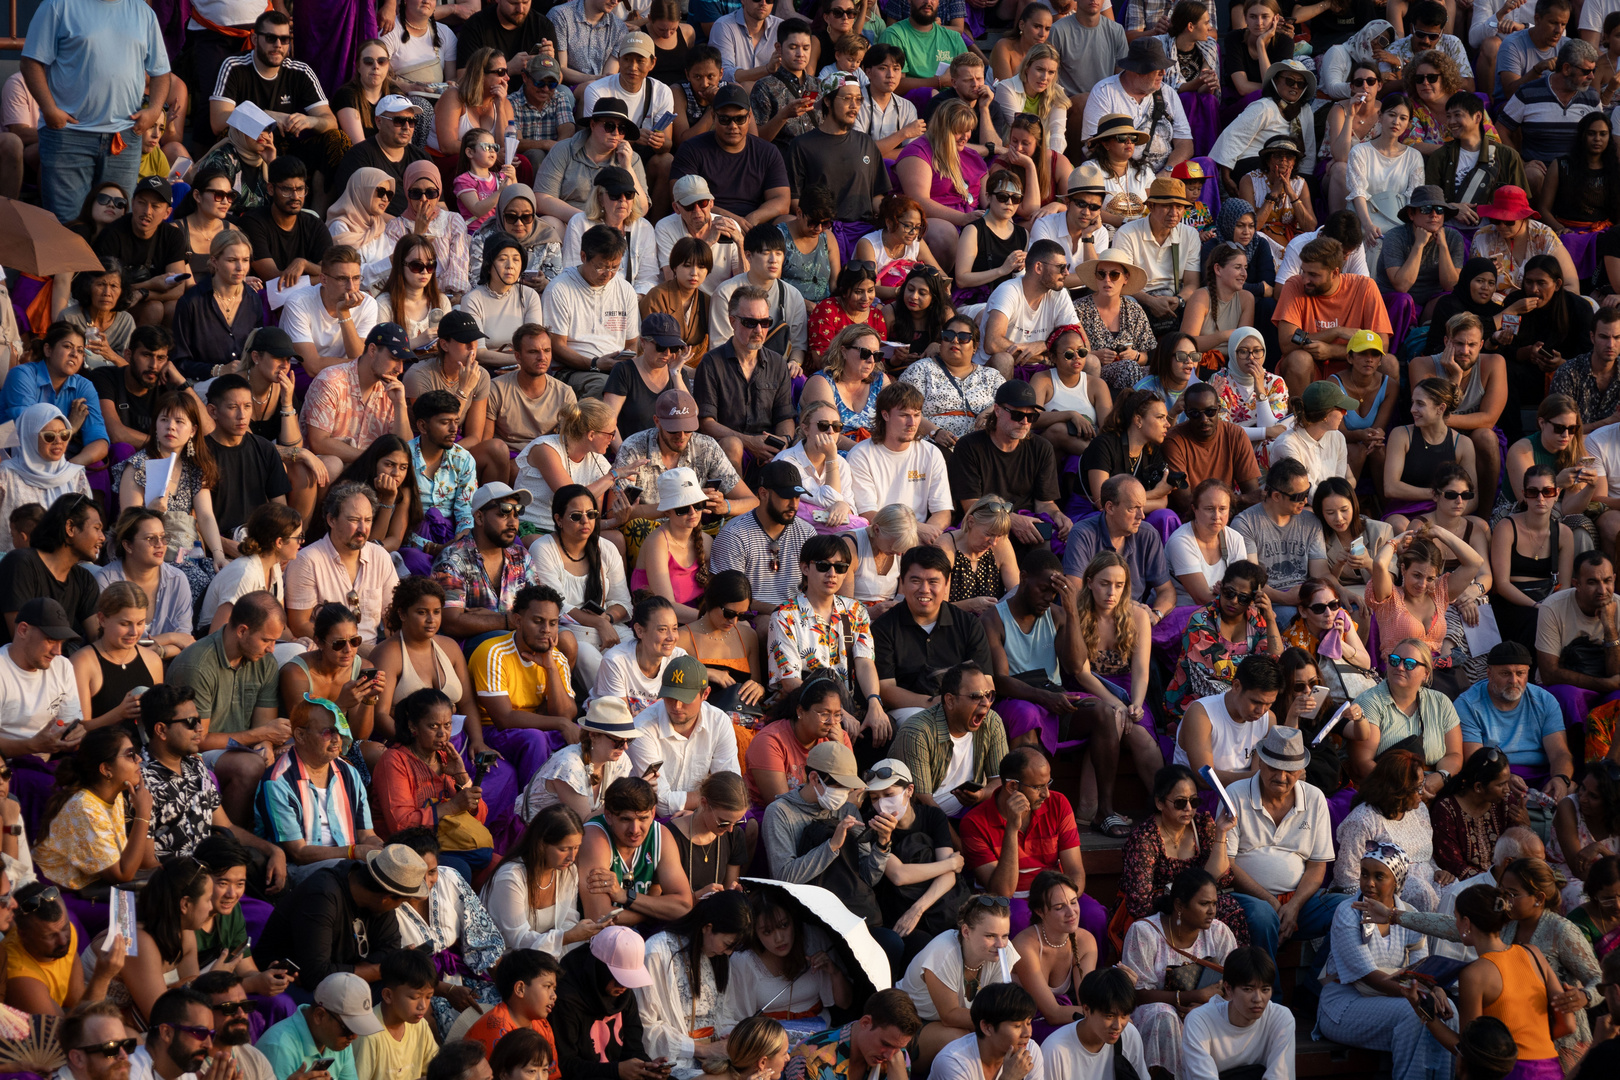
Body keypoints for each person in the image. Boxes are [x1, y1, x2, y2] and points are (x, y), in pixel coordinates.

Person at [20, 0, 167, 225]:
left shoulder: (144, 13)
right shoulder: (58, 5)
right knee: (68, 224)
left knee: (117, 225)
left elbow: (161, 72)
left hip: (124, 136)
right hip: (68, 135)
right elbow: (30, 62)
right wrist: (49, 108)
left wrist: (155, 110)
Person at [961, 745, 1103, 942]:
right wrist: (1012, 828)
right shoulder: (974, 822)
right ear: (1012, 787)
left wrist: (1062, 904)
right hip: (1010, 901)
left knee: (1095, 915)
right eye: (1038, 787)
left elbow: (1075, 871)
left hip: (1055, 895)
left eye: (1048, 783)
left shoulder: (1058, 804)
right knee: (1017, 917)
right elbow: (1002, 892)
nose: (1047, 794)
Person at [33, 725, 155, 893]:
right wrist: (143, 814)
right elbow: (122, 874)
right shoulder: (84, 807)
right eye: (130, 755)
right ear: (106, 769)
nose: (139, 759)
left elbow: (123, 862)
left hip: (93, 887)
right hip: (58, 895)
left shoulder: (115, 794)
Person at [1230, 458, 1331, 627]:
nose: (1305, 501)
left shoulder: (1311, 521)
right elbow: (1250, 582)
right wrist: (1285, 597)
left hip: (1309, 598)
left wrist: (1342, 592)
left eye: (1307, 492)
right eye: (1299, 496)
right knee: (1295, 618)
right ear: (1276, 496)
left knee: (1350, 613)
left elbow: (1321, 573)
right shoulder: (1245, 523)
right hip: (1271, 602)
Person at [0, 324, 109, 469]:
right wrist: (70, 429)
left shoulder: (84, 386)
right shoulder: (22, 375)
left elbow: (99, 441)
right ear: (48, 350)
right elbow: (30, 431)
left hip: (63, 459)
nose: (74, 354)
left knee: (97, 465)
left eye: (80, 351)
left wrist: (68, 470)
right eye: (67, 346)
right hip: (16, 454)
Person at [0, 405, 89, 557]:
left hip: (64, 565)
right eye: (49, 436)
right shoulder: (6, 475)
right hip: (14, 565)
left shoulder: (75, 475)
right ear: (29, 436)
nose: (58, 441)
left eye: (65, 434)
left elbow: (85, 526)